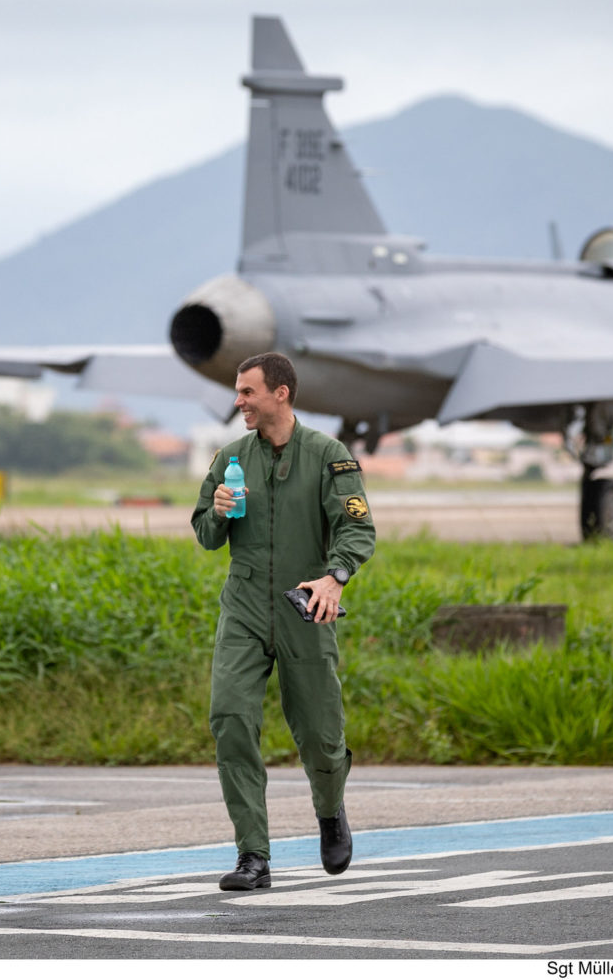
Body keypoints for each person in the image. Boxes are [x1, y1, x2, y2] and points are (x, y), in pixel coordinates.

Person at [191, 352, 377, 891]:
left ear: (281, 393)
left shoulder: (329, 456)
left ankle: (330, 808)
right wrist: (218, 512)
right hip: (244, 606)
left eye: (247, 392)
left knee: (320, 735)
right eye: (237, 391)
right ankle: (253, 855)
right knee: (230, 719)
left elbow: (358, 530)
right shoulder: (229, 457)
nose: (238, 401)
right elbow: (204, 534)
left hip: (306, 604)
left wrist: (334, 577)